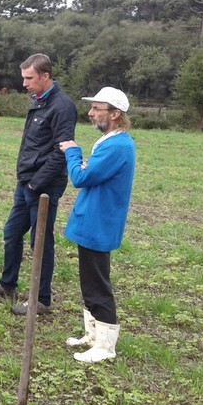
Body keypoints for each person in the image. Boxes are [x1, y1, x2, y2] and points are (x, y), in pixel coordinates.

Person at [0, 53, 77, 315]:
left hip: (43, 186)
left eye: (29, 78)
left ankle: (41, 300)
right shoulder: (39, 101)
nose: (24, 83)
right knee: (11, 232)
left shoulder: (62, 106)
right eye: (23, 78)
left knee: (40, 242)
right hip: (27, 183)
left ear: (46, 76)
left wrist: (36, 184)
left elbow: (61, 151)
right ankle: (7, 284)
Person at [59, 87, 135, 362]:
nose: (90, 113)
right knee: (88, 281)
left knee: (97, 284)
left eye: (97, 109)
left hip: (99, 224)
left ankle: (105, 346)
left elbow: (80, 178)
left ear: (115, 114)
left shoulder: (117, 146)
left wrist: (72, 151)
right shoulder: (109, 141)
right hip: (92, 221)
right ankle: (93, 335)